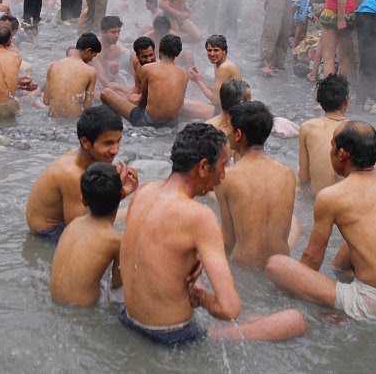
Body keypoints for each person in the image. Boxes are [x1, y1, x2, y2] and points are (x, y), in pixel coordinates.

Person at [120, 122, 306, 344]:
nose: (224, 175)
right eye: (223, 165)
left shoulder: (145, 192)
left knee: (256, 318)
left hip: (128, 321)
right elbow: (229, 309)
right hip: (171, 337)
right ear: (203, 167)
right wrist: (203, 298)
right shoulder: (200, 216)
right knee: (295, 320)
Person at [266, 121, 376, 323]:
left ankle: (333, 314)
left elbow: (311, 260)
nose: (330, 150)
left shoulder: (332, 196)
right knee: (344, 255)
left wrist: (294, 285)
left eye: (332, 145)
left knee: (277, 265)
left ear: (342, 154)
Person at [26, 105, 136, 242]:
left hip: (65, 225)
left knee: (137, 204)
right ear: (85, 142)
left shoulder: (88, 159)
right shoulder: (72, 175)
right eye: (108, 143)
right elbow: (81, 230)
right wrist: (118, 193)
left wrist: (121, 193)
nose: (115, 150)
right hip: (49, 234)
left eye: (118, 141)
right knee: (132, 216)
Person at [215, 101, 299, 267]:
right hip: (280, 268)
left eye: (230, 129)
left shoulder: (226, 178)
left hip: (245, 269)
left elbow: (228, 241)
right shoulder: (287, 174)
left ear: (238, 134)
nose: (228, 133)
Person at [50, 163, 124, 306]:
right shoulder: (116, 240)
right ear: (121, 196)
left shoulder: (74, 224)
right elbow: (117, 285)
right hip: (83, 310)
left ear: (83, 200)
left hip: (55, 300)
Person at [101, 33, 188, 129]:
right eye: (144, 56)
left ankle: (113, 124)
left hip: (148, 121)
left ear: (159, 51)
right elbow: (180, 104)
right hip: (172, 123)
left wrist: (129, 101)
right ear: (178, 53)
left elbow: (143, 102)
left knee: (105, 93)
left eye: (151, 55)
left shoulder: (148, 68)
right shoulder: (184, 73)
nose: (149, 59)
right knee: (116, 88)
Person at [298, 74, 348, 195]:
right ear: (346, 102)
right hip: (347, 200)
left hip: (319, 199)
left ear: (320, 102)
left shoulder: (307, 128)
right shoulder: (357, 129)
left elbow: (304, 177)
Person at [43, 33, 101, 118]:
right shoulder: (90, 71)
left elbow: (46, 101)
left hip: (52, 119)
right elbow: (87, 108)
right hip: (73, 122)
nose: (91, 60)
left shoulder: (53, 66)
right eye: (93, 56)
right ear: (88, 51)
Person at [188, 34, 242, 119]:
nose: (212, 54)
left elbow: (216, 100)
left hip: (231, 114)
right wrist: (200, 78)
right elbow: (218, 91)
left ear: (224, 51)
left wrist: (198, 80)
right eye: (209, 50)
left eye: (216, 50)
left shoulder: (224, 67)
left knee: (184, 107)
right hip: (227, 108)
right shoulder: (219, 62)